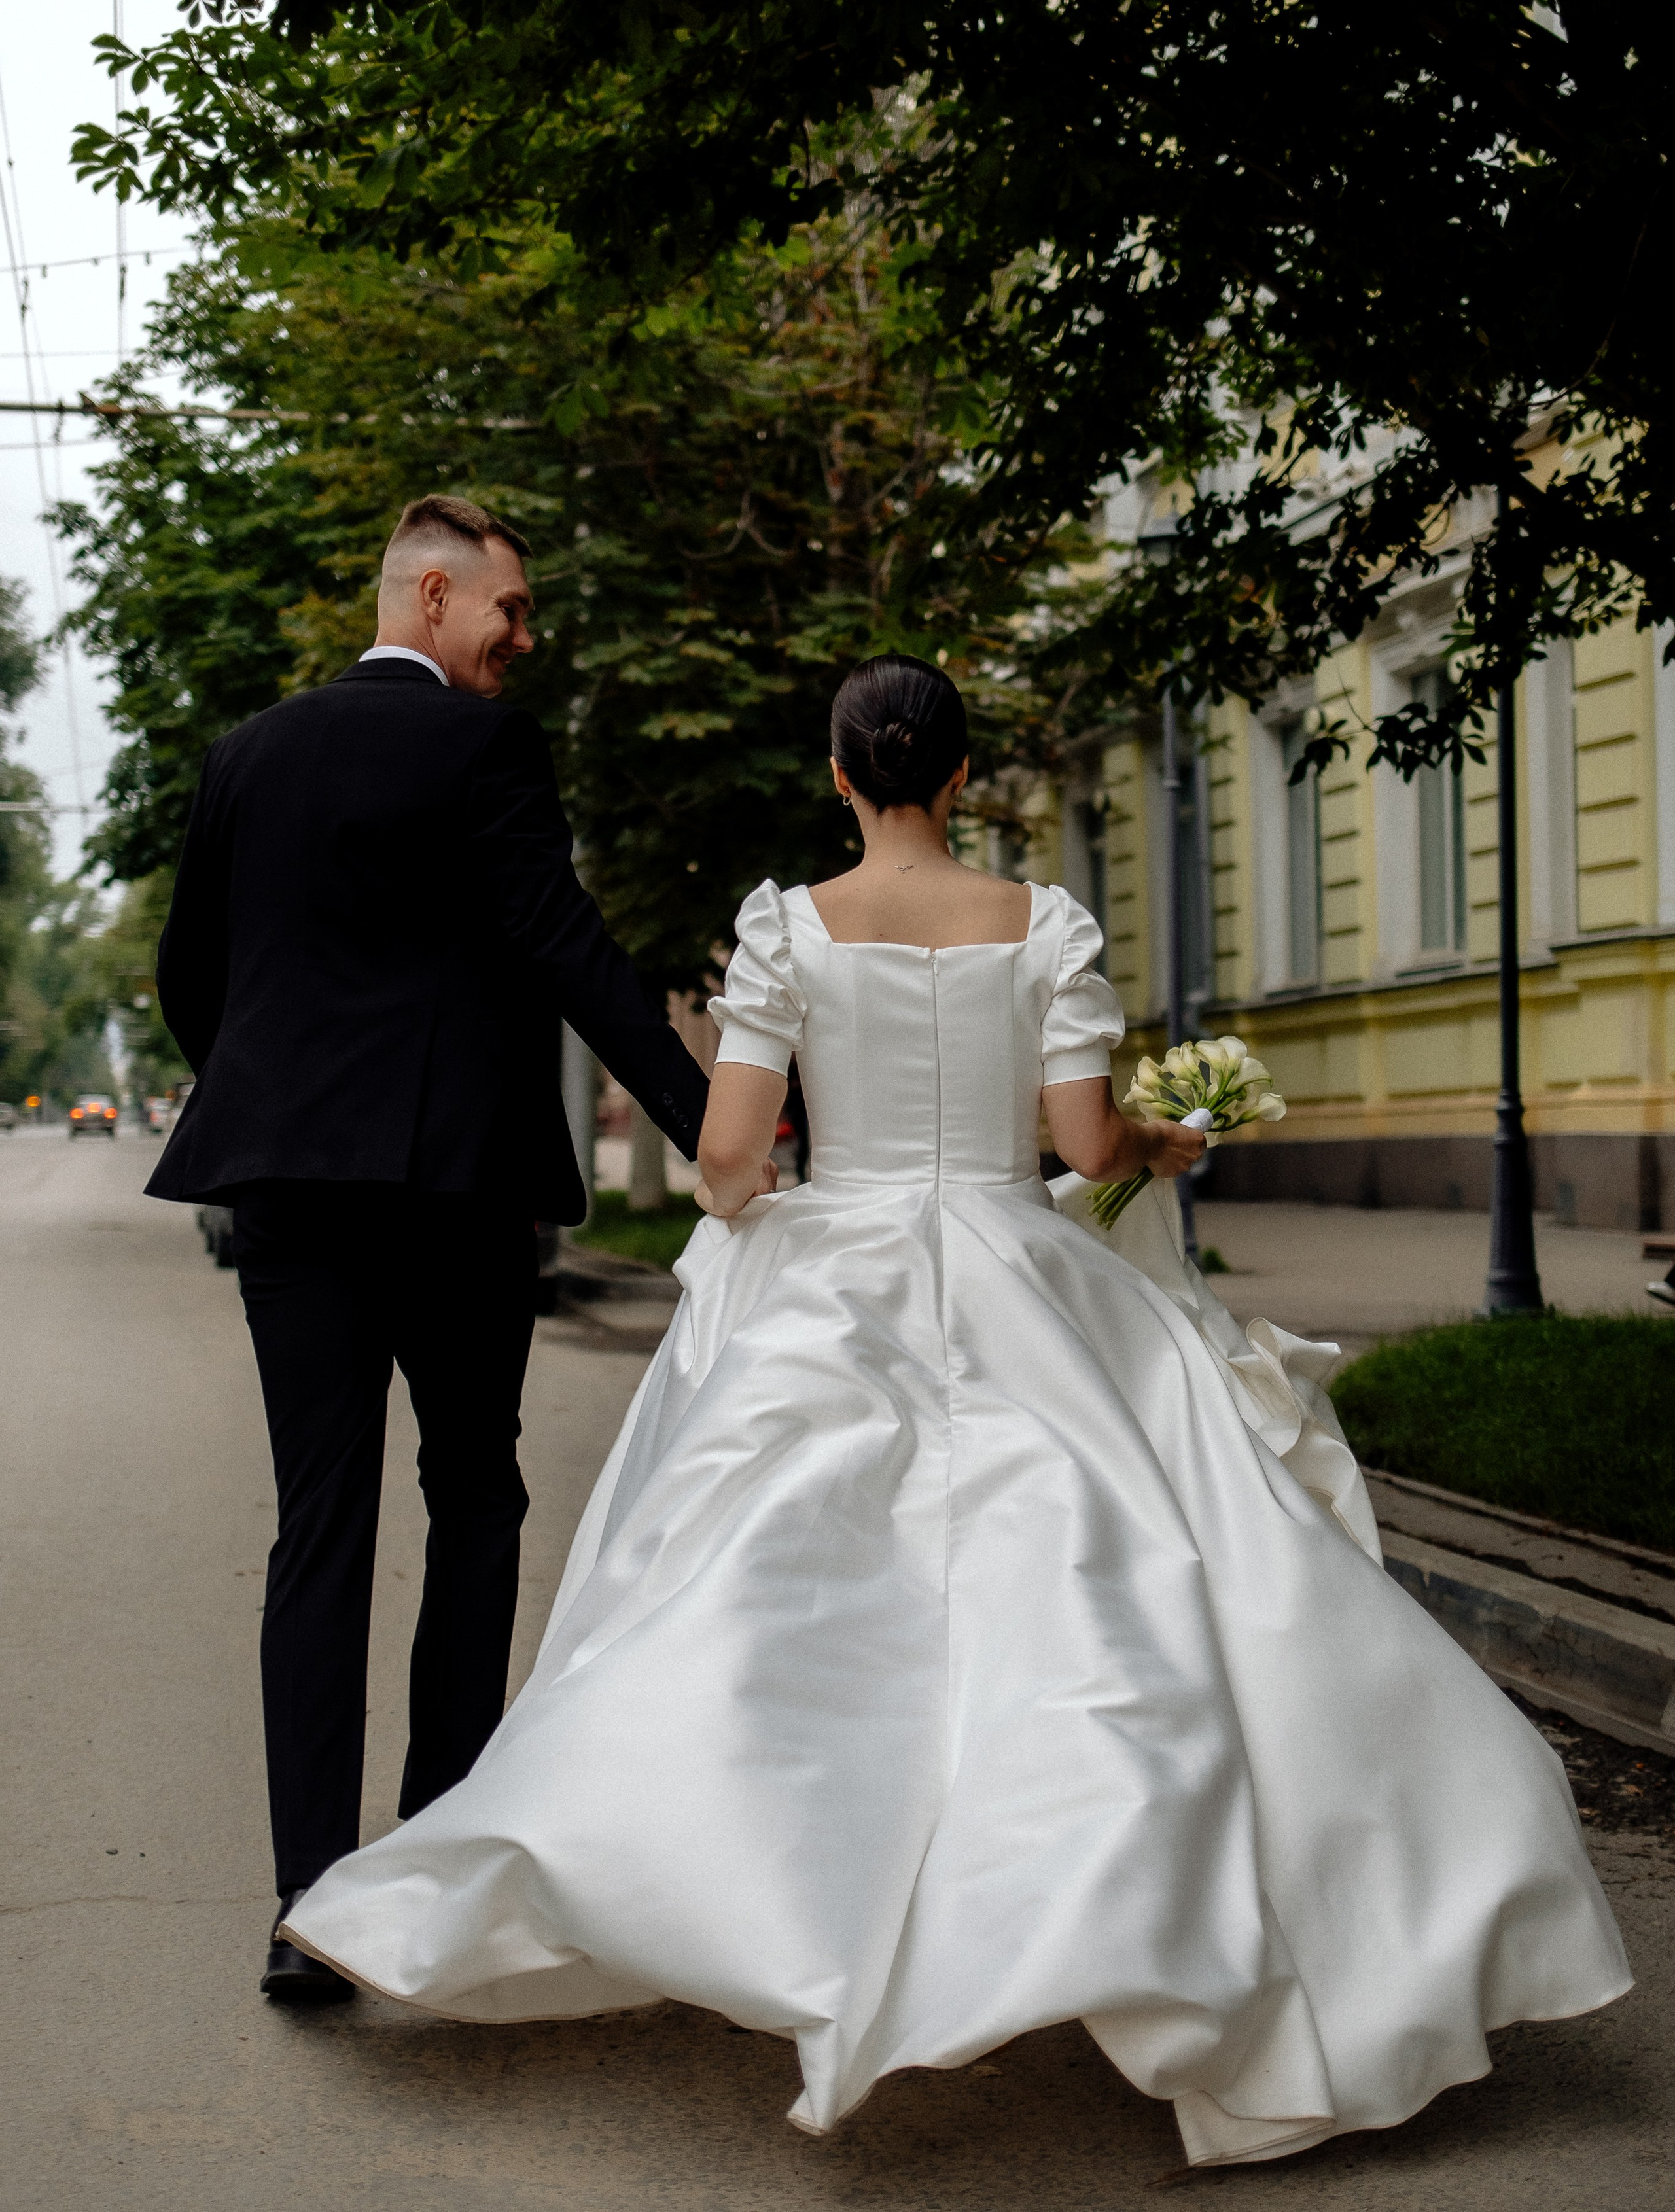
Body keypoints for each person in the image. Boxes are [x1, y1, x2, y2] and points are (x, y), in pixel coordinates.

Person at [283, 653, 1628, 2169]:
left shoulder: (786, 928)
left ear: (840, 777)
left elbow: (727, 1152)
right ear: (962, 776)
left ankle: (746, 1883)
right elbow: (1080, 1141)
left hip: (841, 1269)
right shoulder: (1042, 921)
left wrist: (742, 1199)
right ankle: (1112, 1904)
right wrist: (1156, 1145)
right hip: (1015, 1262)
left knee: (748, 1589)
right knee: (1111, 1570)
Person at [147, 493, 714, 2006]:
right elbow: (566, 946)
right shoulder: (484, 749)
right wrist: (716, 1127)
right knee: (474, 1498)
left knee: (318, 1524)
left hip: (291, 1195)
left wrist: (277, 1100)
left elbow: (192, 975)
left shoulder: (244, 756)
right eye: (510, 610)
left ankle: (307, 1910)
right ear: (435, 594)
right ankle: (433, 1870)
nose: (524, 637)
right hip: (457, 1195)